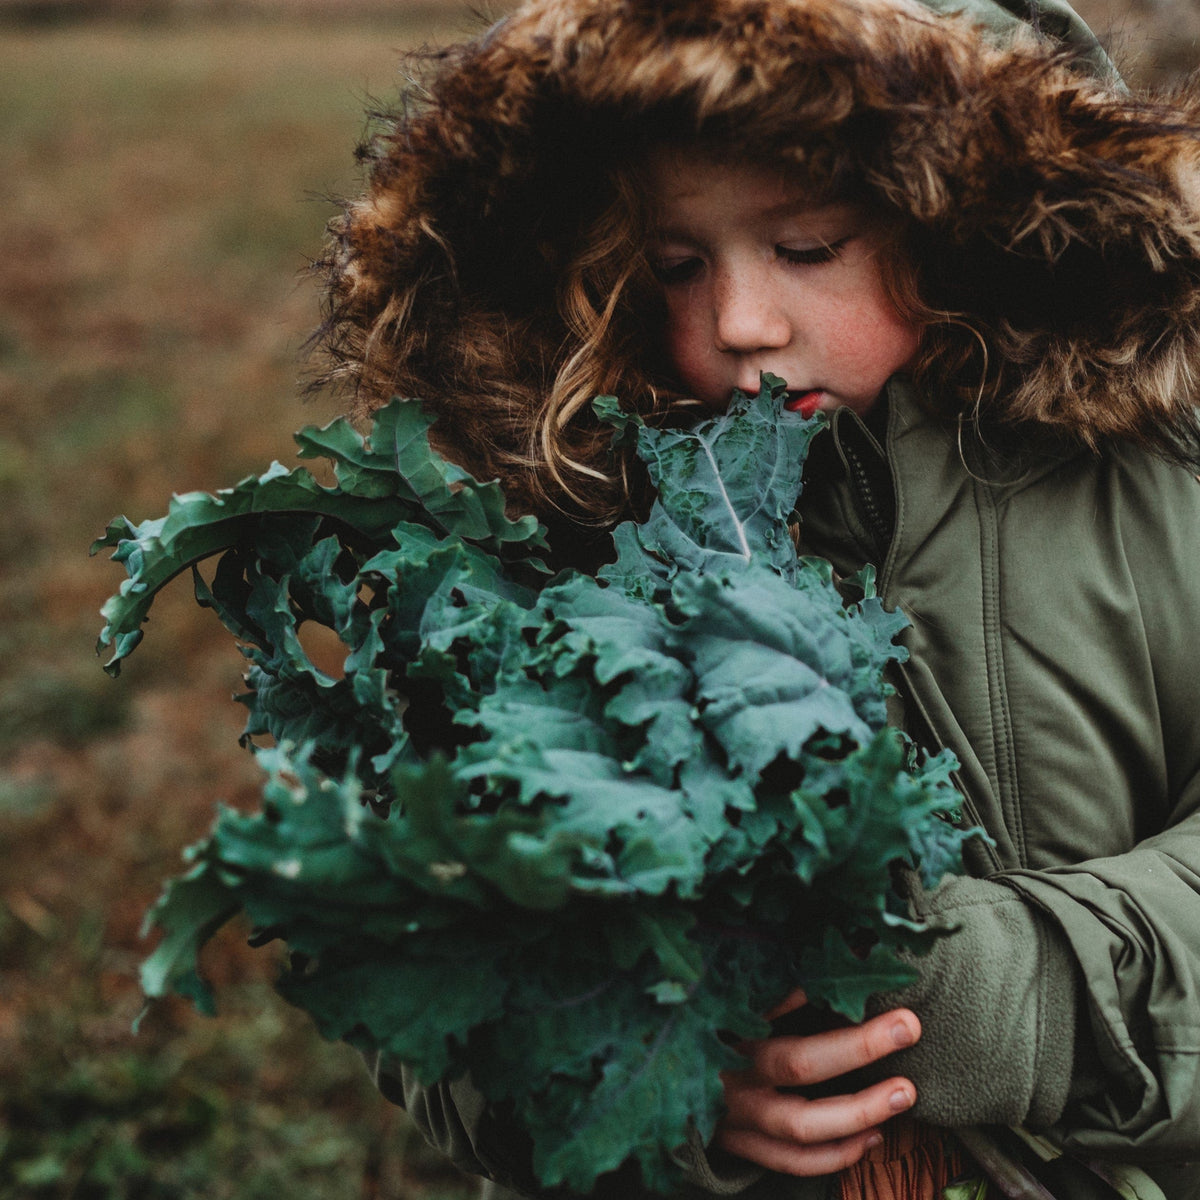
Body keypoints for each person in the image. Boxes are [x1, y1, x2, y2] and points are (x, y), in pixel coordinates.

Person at [314, 0, 1200, 1196]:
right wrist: (665, 1083)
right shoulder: (582, 517)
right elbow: (443, 956)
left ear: (963, 212)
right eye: (677, 266)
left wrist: (996, 995)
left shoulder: (1162, 464)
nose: (741, 323)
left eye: (809, 248)